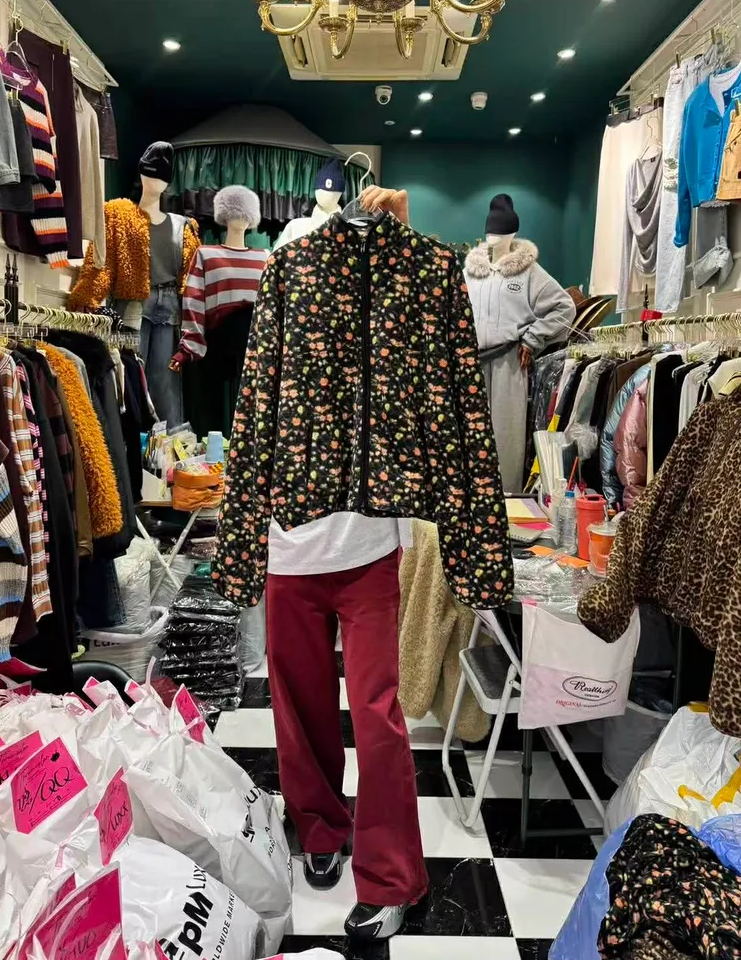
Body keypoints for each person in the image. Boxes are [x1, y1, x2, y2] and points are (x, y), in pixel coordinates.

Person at [265, 183, 428, 942]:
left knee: (377, 713)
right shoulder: (285, 269)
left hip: (367, 548)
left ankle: (393, 875)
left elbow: (420, 360)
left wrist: (401, 243)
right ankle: (320, 828)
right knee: (299, 707)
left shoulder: (384, 279)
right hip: (290, 545)